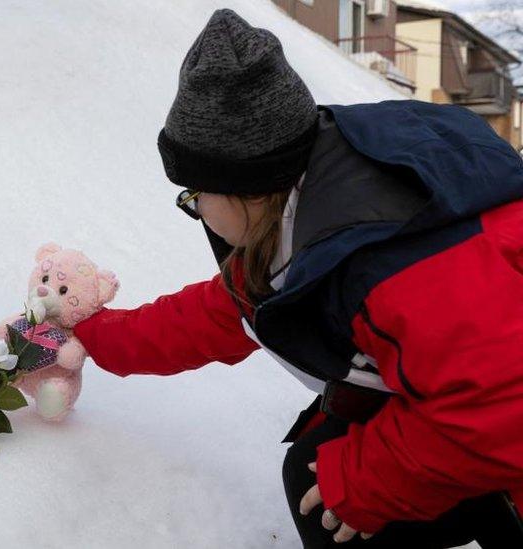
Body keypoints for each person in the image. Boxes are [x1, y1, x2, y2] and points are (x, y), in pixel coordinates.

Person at [71, 9, 523, 548]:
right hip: (474, 404)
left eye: (195, 196)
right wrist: (87, 333)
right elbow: (212, 316)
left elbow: (502, 405)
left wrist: (372, 480)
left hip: (503, 424)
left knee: (334, 488)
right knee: (316, 467)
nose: (196, 210)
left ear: (248, 188)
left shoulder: (382, 261)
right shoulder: (311, 208)